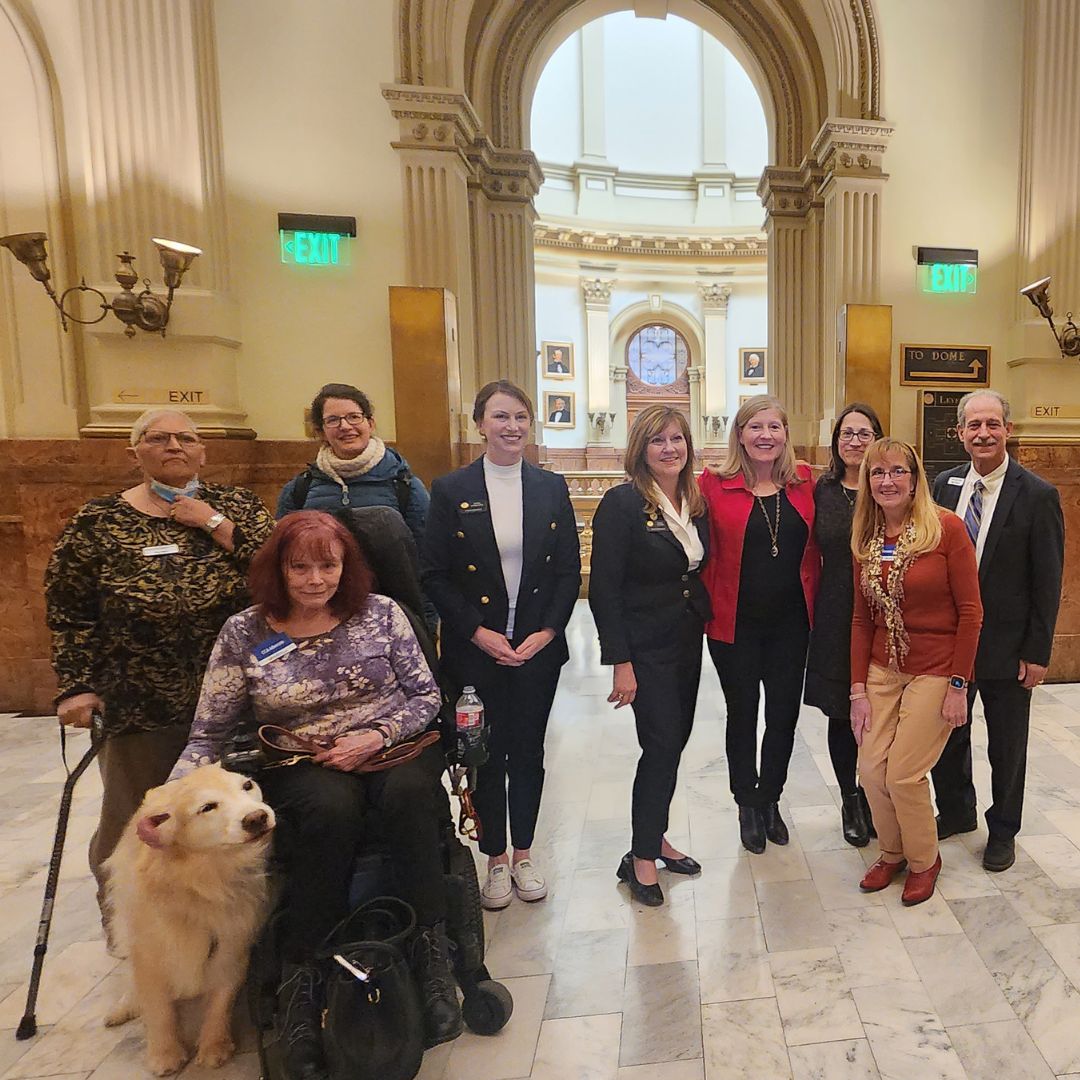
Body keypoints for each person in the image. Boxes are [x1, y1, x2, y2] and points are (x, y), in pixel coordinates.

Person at [170, 511, 462, 1067]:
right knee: (330, 808)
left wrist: (374, 735)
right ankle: (306, 970)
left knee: (409, 797)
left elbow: (426, 699)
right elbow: (209, 730)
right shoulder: (246, 632)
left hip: (390, 745)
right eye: (298, 566)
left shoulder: (382, 615)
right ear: (276, 570)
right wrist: (166, 804)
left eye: (327, 565)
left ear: (345, 567)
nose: (313, 579)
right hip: (299, 761)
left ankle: (431, 954)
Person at [44, 409, 274, 939]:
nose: (173, 445)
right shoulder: (98, 522)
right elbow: (69, 609)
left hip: (236, 698)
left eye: (185, 438)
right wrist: (77, 684)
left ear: (203, 452)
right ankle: (131, 939)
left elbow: (278, 569)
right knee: (136, 823)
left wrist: (211, 522)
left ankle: (239, 935)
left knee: (235, 819)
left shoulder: (236, 505)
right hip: (139, 700)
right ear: (135, 452)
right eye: (157, 438)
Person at [422, 380, 580, 909]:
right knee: (484, 753)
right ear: (479, 424)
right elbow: (435, 575)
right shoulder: (450, 490)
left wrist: (547, 631)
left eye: (520, 417)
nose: (511, 427)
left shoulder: (550, 487)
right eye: (499, 417)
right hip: (476, 649)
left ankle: (525, 853)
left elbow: (566, 571)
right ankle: (493, 858)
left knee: (529, 750)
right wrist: (477, 632)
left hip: (537, 648)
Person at [931, 390, 1065, 872]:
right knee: (947, 733)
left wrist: (1038, 651)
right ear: (961, 432)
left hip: (1009, 649)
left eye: (992, 424)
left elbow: (1048, 581)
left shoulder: (1038, 495)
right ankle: (957, 810)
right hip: (949, 645)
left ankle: (1003, 829)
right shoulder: (944, 486)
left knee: (1007, 744)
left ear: (1008, 430)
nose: (983, 433)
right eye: (974, 425)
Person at [850, 439, 983, 906]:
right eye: (877, 473)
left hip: (936, 668)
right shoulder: (865, 536)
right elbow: (862, 618)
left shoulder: (945, 529)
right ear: (868, 482)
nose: (887, 481)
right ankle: (892, 851)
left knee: (904, 774)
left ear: (914, 477)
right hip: (883, 669)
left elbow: (971, 613)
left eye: (897, 472)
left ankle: (924, 861)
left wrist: (958, 686)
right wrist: (857, 690)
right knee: (869, 769)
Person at [589, 405, 712, 906]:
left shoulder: (694, 501)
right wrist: (620, 660)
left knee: (675, 743)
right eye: (658, 440)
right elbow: (603, 588)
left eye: (677, 439)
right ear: (641, 449)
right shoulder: (622, 504)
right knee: (660, 744)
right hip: (644, 647)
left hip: (686, 638)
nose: (670, 448)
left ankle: (655, 836)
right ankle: (639, 857)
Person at [700, 396, 820, 854]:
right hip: (734, 625)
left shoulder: (805, 482)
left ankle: (770, 798)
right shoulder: (713, 484)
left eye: (774, 426)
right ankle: (745, 802)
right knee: (743, 714)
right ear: (740, 434)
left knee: (783, 717)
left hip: (793, 623)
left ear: (786, 434)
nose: (765, 435)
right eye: (755, 426)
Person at [805, 403, 884, 846]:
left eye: (864, 433)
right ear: (837, 441)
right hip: (836, 612)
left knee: (882, 708)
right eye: (847, 433)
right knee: (843, 710)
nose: (855, 441)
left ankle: (875, 795)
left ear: (877, 438)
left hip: (885, 612)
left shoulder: (889, 485)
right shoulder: (824, 490)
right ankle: (850, 799)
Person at [276, 382, 430, 548]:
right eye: (333, 420)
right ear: (321, 432)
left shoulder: (406, 487)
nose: (345, 426)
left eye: (354, 417)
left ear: (370, 424)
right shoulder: (299, 489)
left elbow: (425, 554)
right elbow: (285, 552)